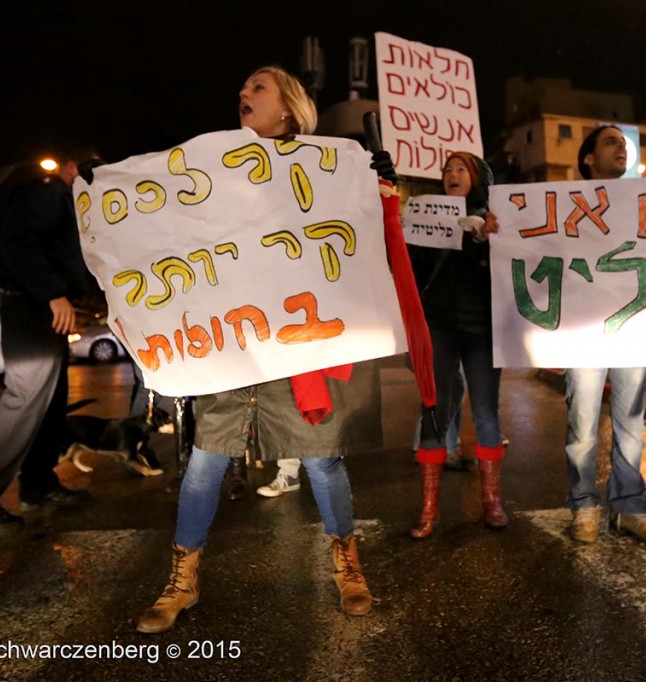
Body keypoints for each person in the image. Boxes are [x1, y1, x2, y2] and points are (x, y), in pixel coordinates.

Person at [138, 65, 435, 632]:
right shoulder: (213, 169)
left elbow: (357, 245)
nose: (242, 93)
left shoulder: (326, 174)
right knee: (205, 460)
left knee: (322, 457)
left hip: (299, 346)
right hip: (235, 344)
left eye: (257, 88)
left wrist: (378, 193)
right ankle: (183, 579)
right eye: (242, 86)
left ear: (288, 110)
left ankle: (346, 562)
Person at [0, 145, 100, 534]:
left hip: (45, 310)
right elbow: (19, 243)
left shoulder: (66, 201)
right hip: (31, 307)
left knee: (51, 403)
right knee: (26, 400)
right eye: (90, 168)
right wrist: (53, 293)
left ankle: (38, 483)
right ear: (69, 166)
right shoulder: (47, 192)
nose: (96, 176)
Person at [560, 126, 646, 544]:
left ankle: (629, 507)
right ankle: (584, 504)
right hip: (584, 331)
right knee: (582, 425)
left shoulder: (645, 205)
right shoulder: (562, 205)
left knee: (630, 424)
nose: (621, 148)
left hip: (632, 328)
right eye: (610, 142)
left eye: (624, 144)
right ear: (588, 159)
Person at [407, 151, 508, 539]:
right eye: (447, 169)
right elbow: (415, 270)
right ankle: (429, 509)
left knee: (485, 412)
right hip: (440, 325)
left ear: (477, 177)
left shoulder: (496, 218)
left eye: (460, 168)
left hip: (483, 329)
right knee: (434, 409)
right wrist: (408, 232)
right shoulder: (427, 215)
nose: (452, 173)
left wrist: (490, 235)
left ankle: (492, 502)